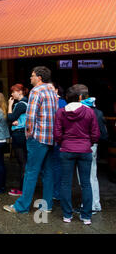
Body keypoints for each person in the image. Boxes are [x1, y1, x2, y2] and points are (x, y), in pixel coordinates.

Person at [4, 66, 58, 214]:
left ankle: (22, 206)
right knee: (48, 172)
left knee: (31, 172)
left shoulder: (36, 91)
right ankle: (46, 206)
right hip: (50, 137)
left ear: (39, 78)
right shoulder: (52, 90)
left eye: (32, 75)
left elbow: (30, 117)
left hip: (38, 138)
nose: (30, 78)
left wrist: (28, 134)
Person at [54, 84, 100, 225]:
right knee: (86, 184)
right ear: (80, 97)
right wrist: (88, 143)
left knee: (65, 183)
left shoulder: (60, 112)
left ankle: (67, 215)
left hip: (66, 150)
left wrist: (64, 143)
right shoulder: (89, 112)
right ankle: (86, 216)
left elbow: (57, 134)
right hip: (85, 150)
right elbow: (95, 134)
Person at [79, 92, 108, 214]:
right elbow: (104, 134)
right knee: (92, 176)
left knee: (86, 178)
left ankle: (89, 205)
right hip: (93, 145)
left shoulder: (83, 111)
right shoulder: (97, 111)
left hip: (87, 146)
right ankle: (95, 204)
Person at [7, 83, 29, 197]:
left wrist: (10, 105)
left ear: (20, 92)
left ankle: (23, 189)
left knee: (22, 162)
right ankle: (25, 188)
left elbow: (10, 117)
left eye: (13, 91)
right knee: (24, 162)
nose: (12, 94)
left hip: (19, 135)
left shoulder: (20, 104)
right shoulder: (26, 103)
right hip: (23, 134)